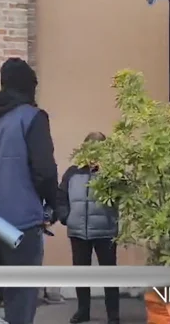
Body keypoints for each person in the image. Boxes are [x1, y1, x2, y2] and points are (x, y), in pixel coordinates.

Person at [0, 58, 59, 324]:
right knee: (21, 296)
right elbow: (44, 170)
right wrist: (52, 205)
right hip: (22, 223)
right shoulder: (32, 118)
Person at [55, 132, 120, 324]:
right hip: (78, 232)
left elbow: (122, 196)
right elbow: (60, 197)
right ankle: (83, 311)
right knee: (81, 274)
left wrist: (108, 172)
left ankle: (113, 315)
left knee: (109, 275)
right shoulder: (72, 172)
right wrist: (66, 217)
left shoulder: (112, 173)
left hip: (105, 232)